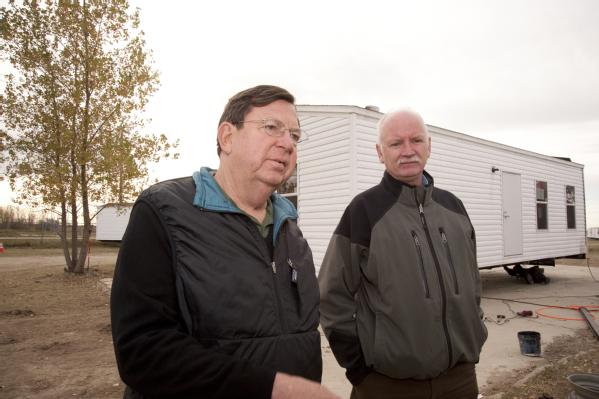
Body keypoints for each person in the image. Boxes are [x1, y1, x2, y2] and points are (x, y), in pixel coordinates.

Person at [111, 85, 339, 399]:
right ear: (227, 137)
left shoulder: (290, 228)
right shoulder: (163, 210)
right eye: (272, 128)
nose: (288, 143)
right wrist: (271, 388)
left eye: (295, 136)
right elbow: (142, 351)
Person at [318, 109, 488, 399]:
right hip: (388, 384)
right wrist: (359, 369)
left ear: (429, 146)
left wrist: (476, 331)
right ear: (379, 152)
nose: (408, 151)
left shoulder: (454, 208)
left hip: (459, 380)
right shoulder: (364, 211)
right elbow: (331, 296)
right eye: (396, 143)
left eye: (416, 140)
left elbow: (473, 284)